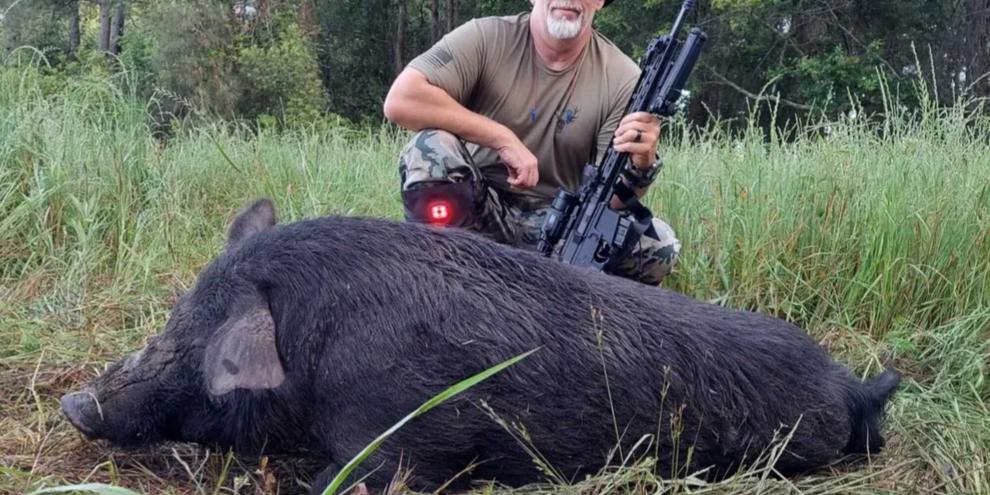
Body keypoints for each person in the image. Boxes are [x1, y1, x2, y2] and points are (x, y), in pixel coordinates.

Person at [383, 0, 680, 284]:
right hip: (476, 211)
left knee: (659, 246)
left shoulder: (623, 78)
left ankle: (598, 318)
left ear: (599, 1)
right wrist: (502, 138)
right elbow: (402, 100)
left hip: (559, 223)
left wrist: (642, 165)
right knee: (430, 147)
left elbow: (610, 200)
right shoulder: (486, 37)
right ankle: (434, 274)